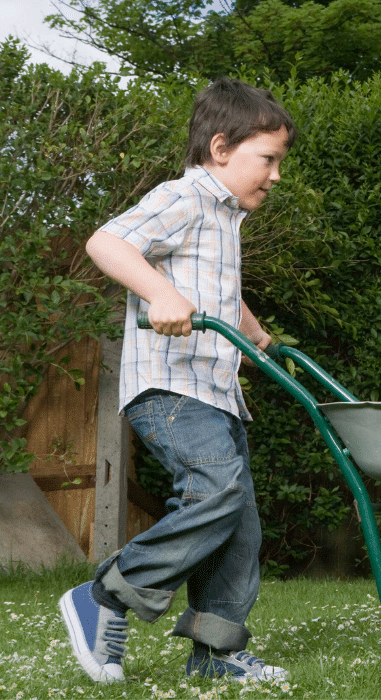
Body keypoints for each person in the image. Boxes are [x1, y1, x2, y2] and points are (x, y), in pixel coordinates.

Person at [58, 77, 297, 684]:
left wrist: (256, 337)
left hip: (215, 393)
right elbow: (106, 242)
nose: (275, 175)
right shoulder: (185, 197)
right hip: (170, 389)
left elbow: (217, 289)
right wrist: (160, 293)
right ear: (221, 149)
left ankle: (216, 654)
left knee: (238, 522)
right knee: (215, 491)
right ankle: (107, 594)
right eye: (267, 159)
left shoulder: (225, 220)